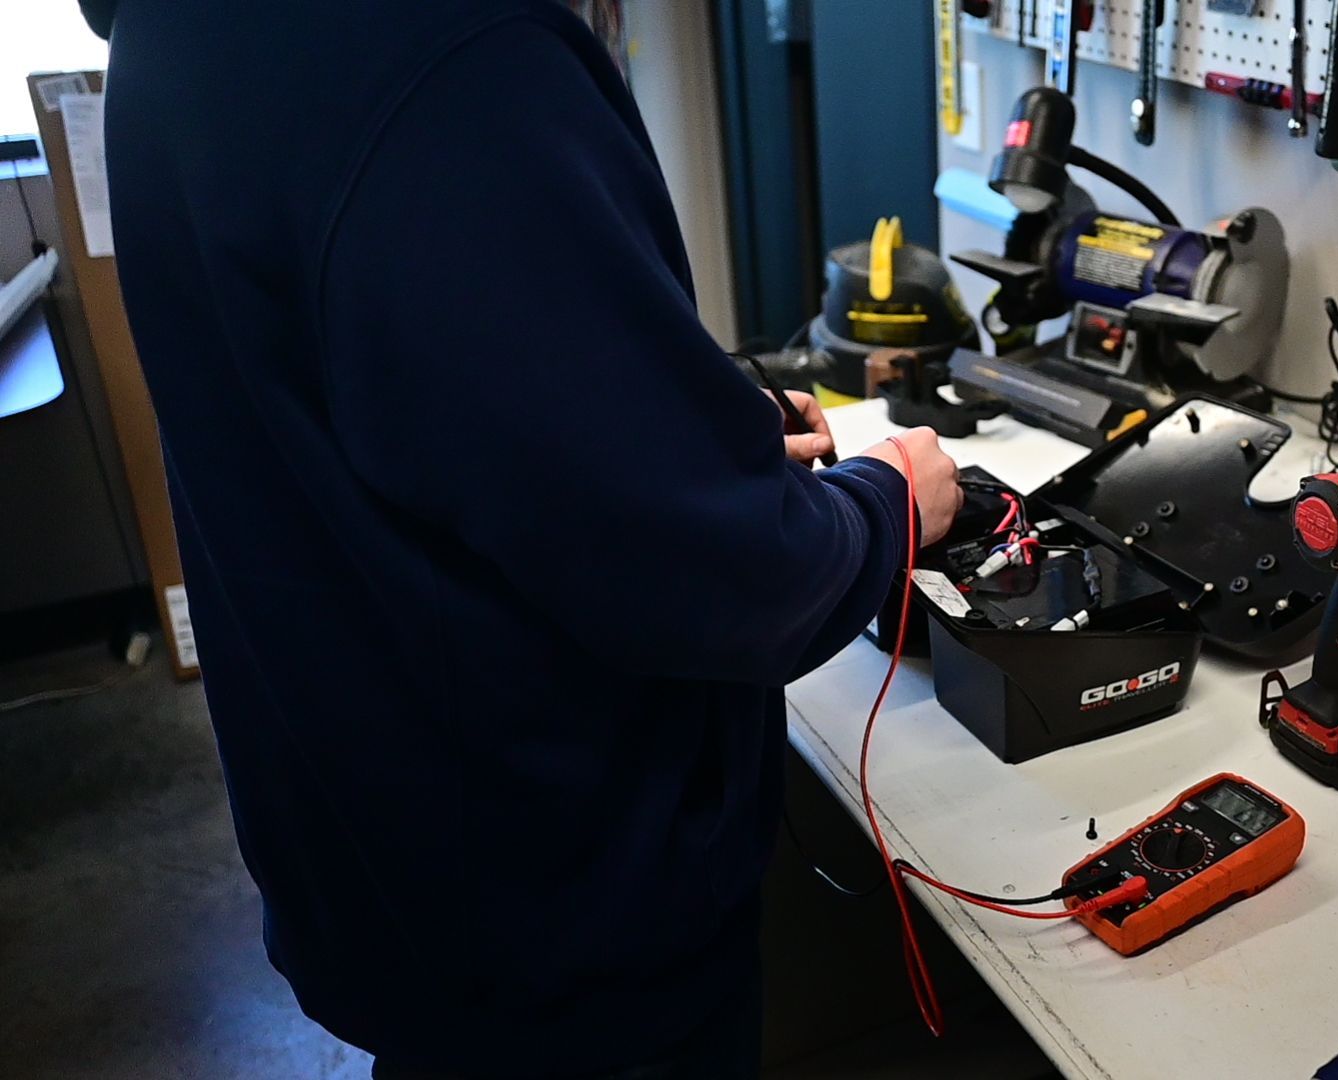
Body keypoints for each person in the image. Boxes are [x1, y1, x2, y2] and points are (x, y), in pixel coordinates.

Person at [79, 1, 962, 1076]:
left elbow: (402, 406)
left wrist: (688, 444)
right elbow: (714, 579)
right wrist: (891, 499)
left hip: (408, 879)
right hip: (564, 921)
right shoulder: (445, 52)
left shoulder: (191, 33)